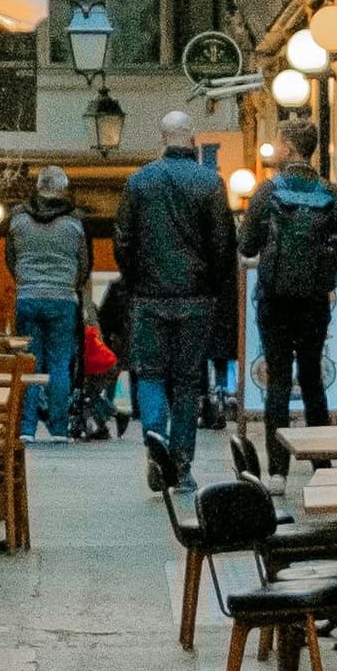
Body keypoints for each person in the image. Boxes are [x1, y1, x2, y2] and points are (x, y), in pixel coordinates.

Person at [114, 105, 242, 493]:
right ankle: (182, 466)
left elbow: (123, 240)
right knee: (188, 382)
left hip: (149, 297)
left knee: (151, 375)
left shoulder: (139, 182)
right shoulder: (210, 184)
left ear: (161, 139)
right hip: (196, 298)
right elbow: (224, 243)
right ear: (192, 139)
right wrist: (213, 285)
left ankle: (156, 447)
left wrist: (135, 279)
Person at [239, 123, 337, 439]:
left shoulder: (267, 191)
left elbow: (246, 245)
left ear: (289, 149)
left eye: (278, 144)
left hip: (274, 300)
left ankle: (278, 462)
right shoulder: (332, 193)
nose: (274, 150)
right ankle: (320, 456)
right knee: (312, 379)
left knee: (277, 380)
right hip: (315, 301)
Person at [4, 164, 91, 439]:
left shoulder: (18, 219)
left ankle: (27, 428)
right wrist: (70, 284)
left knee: (29, 363)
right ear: (62, 189)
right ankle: (58, 428)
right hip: (63, 299)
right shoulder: (75, 221)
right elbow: (84, 263)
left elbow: (10, 258)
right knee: (60, 364)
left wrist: (25, 281)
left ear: (38, 186)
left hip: (28, 296)